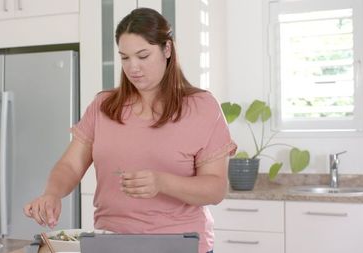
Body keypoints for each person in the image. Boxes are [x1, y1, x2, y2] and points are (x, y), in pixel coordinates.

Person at [23, 7, 236, 253]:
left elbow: (215, 189)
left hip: (179, 245)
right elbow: (70, 165)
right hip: (110, 242)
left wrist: (162, 182)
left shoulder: (202, 107)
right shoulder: (104, 106)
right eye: (125, 57)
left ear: (167, 49)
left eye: (143, 56)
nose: (133, 67)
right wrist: (52, 194)